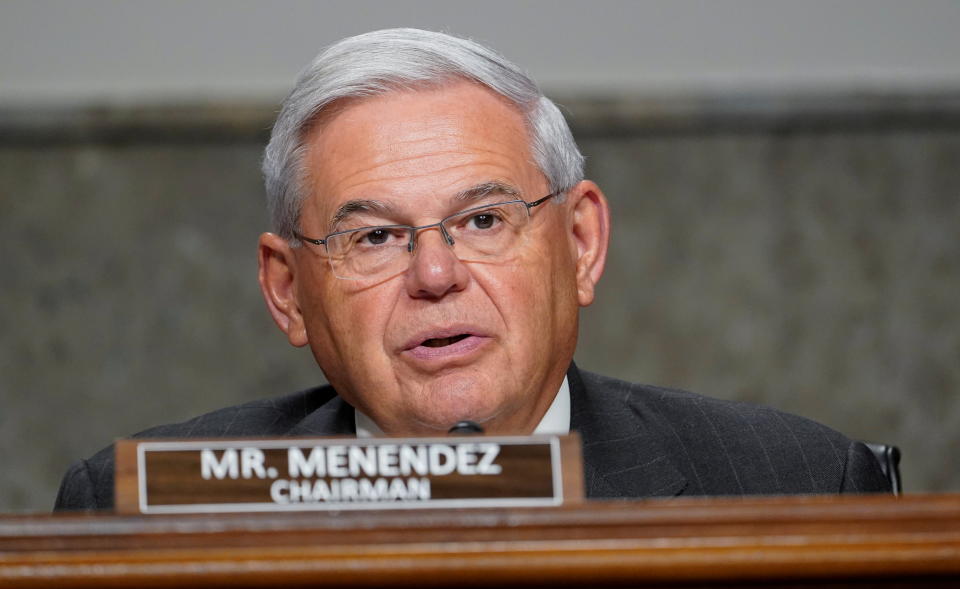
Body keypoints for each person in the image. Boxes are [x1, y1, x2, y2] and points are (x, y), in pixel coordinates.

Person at [55, 28, 890, 510]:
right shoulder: (136, 506)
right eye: (375, 237)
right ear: (287, 291)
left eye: (483, 220)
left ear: (581, 243)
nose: (434, 273)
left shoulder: (796, 484)